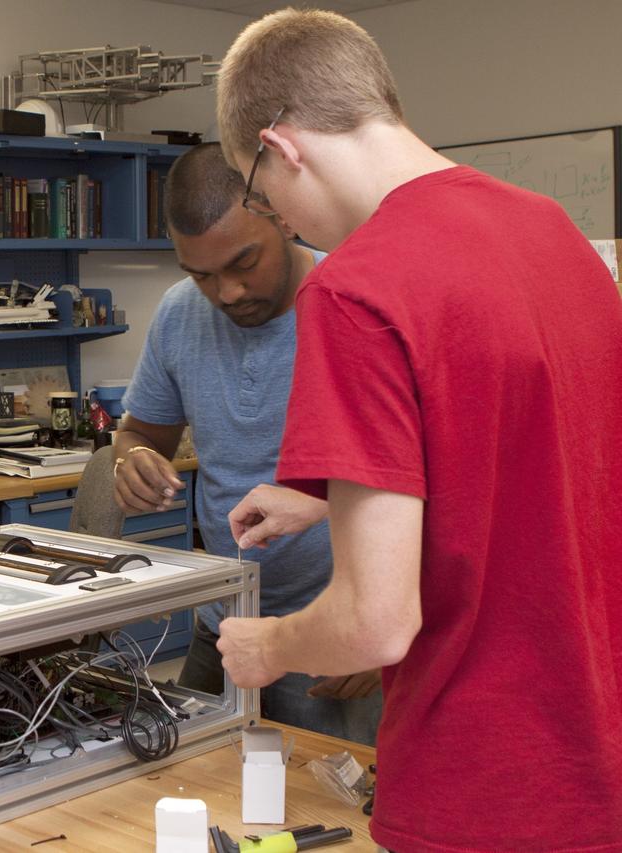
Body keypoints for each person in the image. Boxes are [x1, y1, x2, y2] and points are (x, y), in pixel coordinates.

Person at [212, 10, 622, 851]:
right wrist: (333, 501)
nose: (280, 219)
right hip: (596, 763)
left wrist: (269, 645)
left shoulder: (356, 288)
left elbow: (373, 623)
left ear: (282, 146)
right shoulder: (556, 234)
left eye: (260, 192)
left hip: (480, 785)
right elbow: (551, 457)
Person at [112, 144, 380, 745]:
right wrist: (129, 458)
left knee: (334, 814)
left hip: (330, 633)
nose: (227, 292)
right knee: (192, 790)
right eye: (202, 275)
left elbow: (430, 482)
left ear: (281, 217)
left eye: (243, 263)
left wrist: (381, 628)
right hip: (225, 625)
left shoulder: (358, 306)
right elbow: (137, 433)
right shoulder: (180, 314)